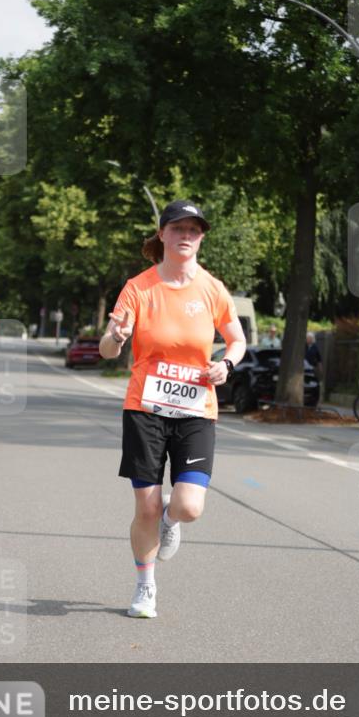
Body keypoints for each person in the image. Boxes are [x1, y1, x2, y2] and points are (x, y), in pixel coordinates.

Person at [99, 200, 246, 619]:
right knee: (143, 506)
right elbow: (109, 350)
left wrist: (227, 364)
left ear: (201, 238)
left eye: (194, 230)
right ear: (161, 235)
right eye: (178, 228)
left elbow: (236, 340)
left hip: (197, 408)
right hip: (144, 409)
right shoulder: (139, 287)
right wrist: (116, 335)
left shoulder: (213, 289)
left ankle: (170, 520)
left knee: (188, 506)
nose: (186, 236)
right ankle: (145, 586)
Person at [305, 330, 323, 407]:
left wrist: (320, 368)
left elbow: (319, 359)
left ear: (312, 339)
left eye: (310, 338)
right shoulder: (304, 346)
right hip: (304, 367)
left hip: (312, 367)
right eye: (307, 338)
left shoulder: (315, 347)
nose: (308, 340)